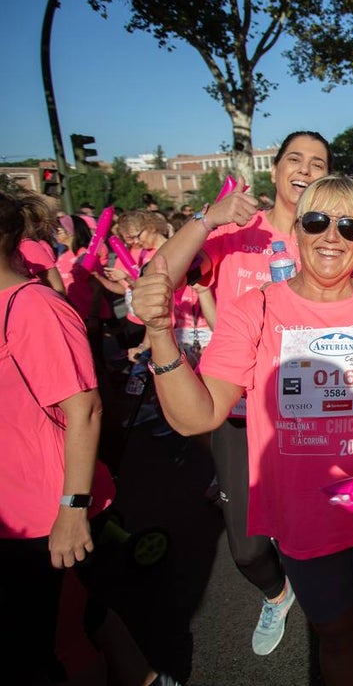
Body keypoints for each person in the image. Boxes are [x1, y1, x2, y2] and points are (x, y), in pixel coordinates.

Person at [133, 176, 353, 685]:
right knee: (338, 636)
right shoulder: (254, 309)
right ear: (297, 230)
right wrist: (161, 336)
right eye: (318, 221)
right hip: (304, 519)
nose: (331, 237)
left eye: (349, 227)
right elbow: (198, 416)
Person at [152, 131, 332, 655]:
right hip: (236, 410)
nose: (305, 169)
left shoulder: (327, 235)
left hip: (309, 416)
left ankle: (329, 607)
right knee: (248, 549)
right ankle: (277, 594)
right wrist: (210, 218)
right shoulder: (236, 232)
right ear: (274, 171)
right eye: (294, 159)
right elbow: (158, 273)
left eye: (317, 163)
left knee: (319, 532)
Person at [0, 192, 174, 686]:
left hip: (45, 513)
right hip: (11, 510)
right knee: (87, 617)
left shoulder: (33, 308)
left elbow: (86, 408)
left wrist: (72, 509)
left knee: (59, 644)